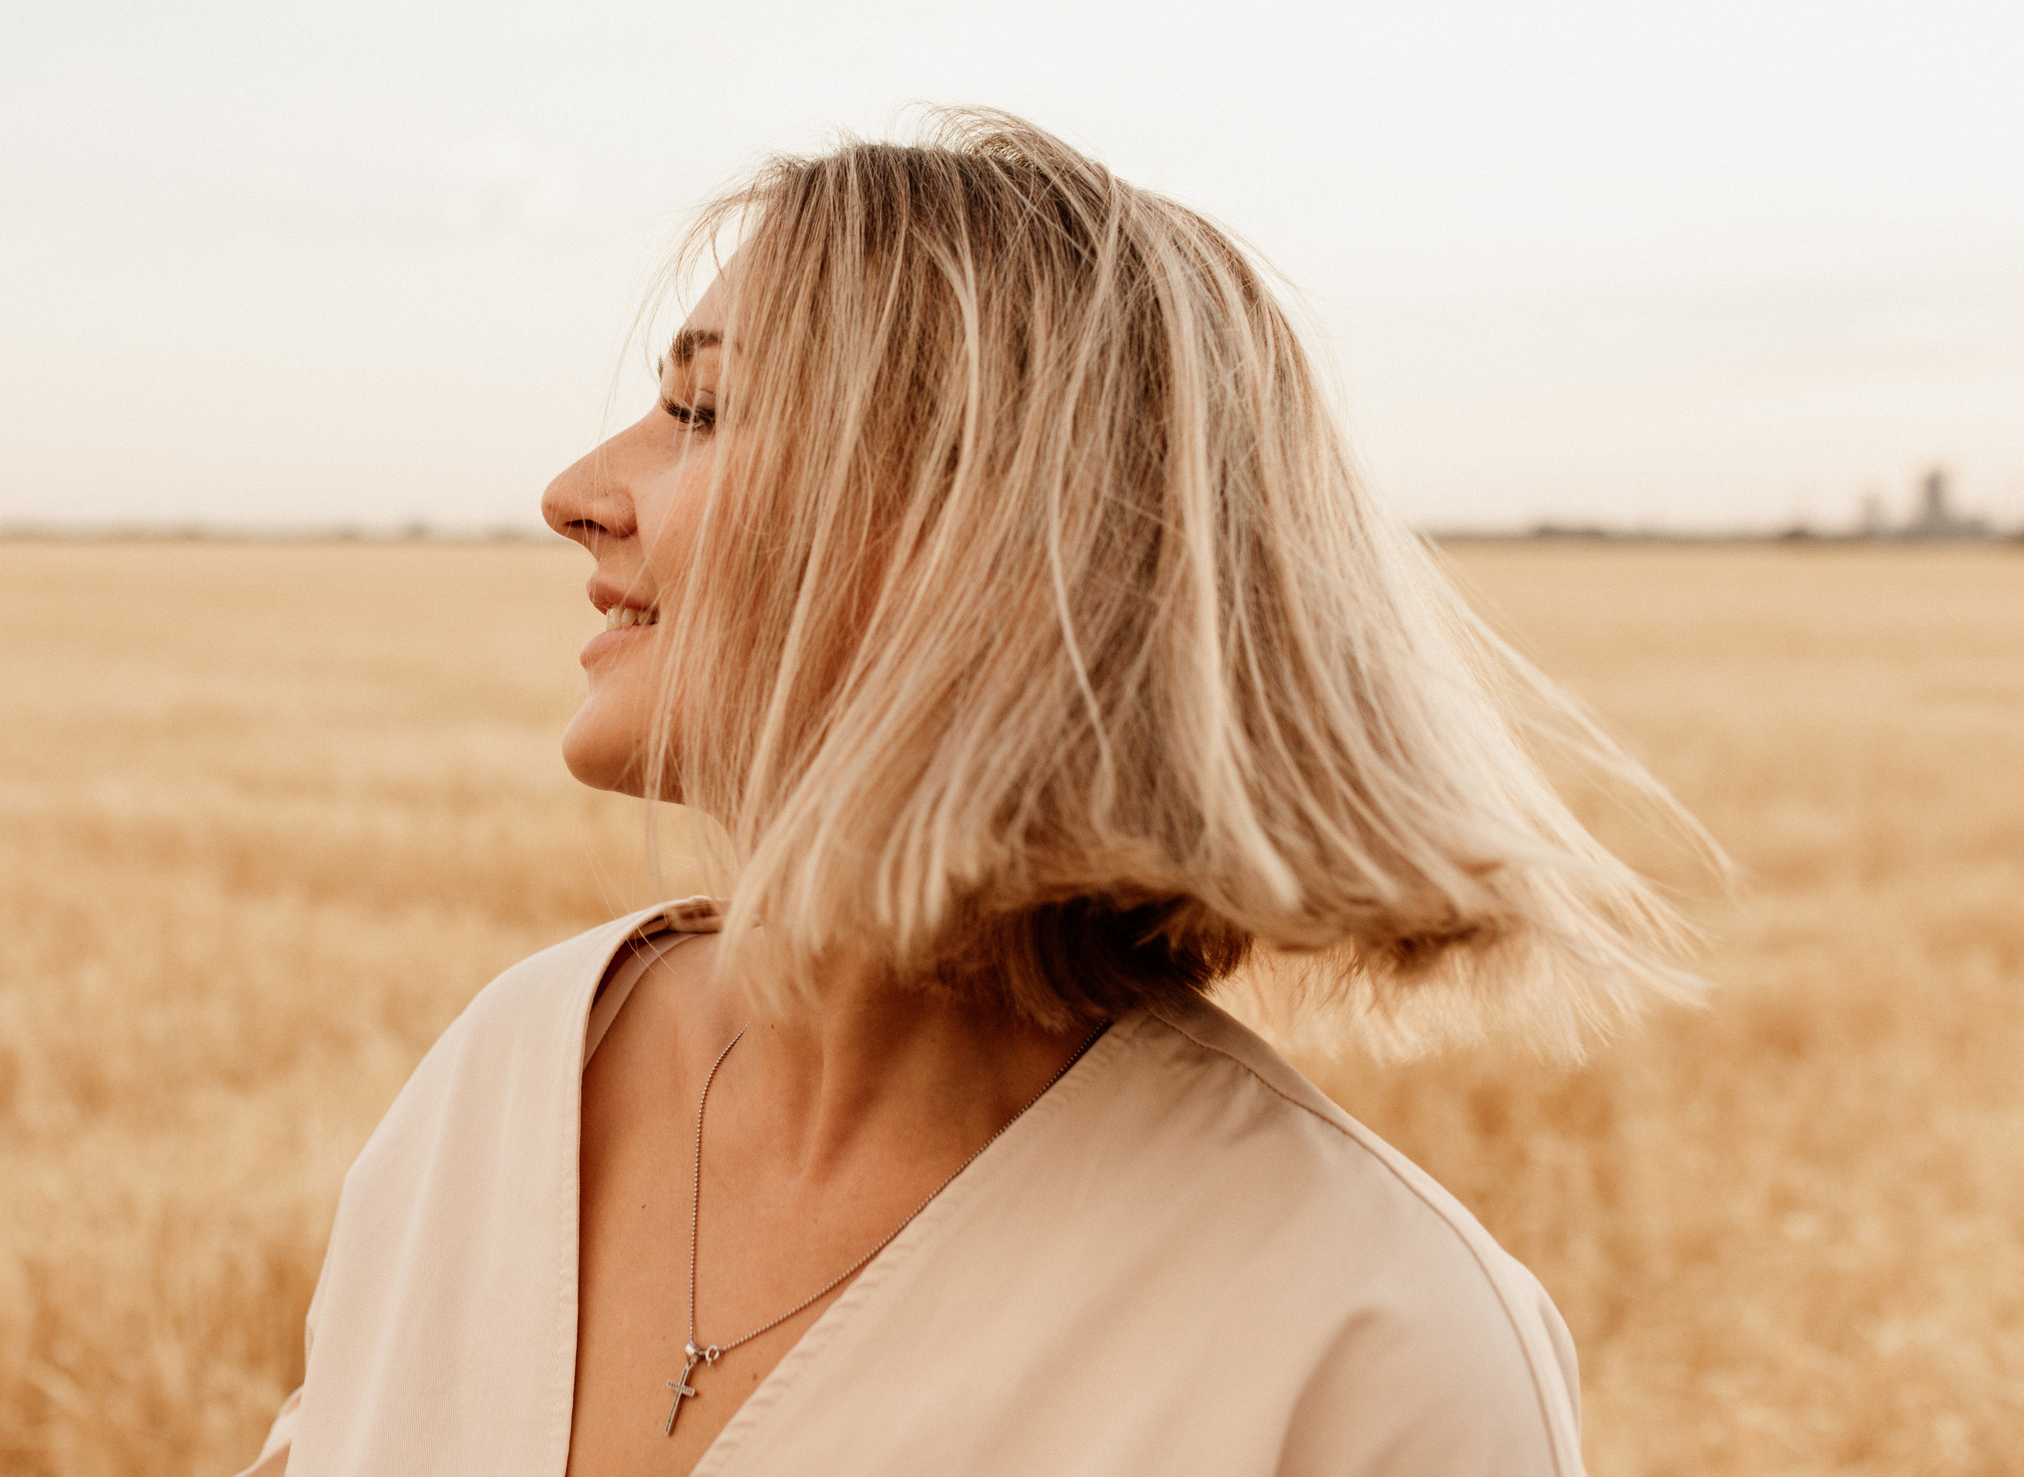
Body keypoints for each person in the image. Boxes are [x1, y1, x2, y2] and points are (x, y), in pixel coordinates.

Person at [235, 111, 1705, 1476]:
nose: (573, 489)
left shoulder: (1377, 1343)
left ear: (987, 534)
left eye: (704, 410)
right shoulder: (511, 1068)